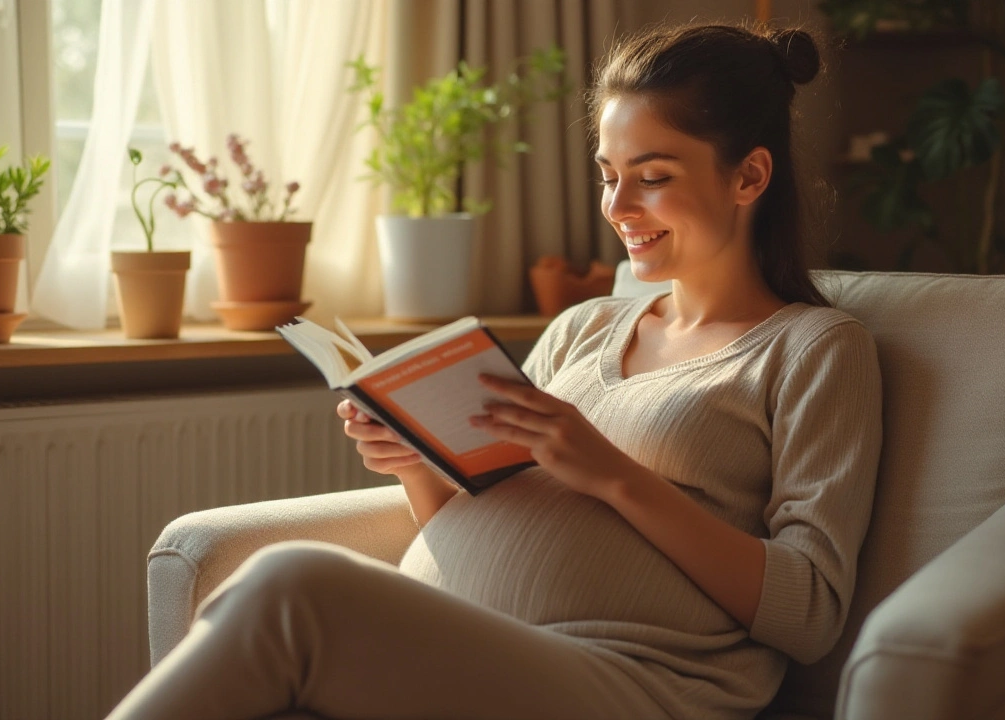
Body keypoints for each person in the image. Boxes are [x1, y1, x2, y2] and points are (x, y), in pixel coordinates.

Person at [107, 20, 882, 720]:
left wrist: (609, 472)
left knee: (287, 586)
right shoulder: (584, 329)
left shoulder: (813, 349)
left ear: (748, 177)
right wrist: (418, 466)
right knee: (261, 597)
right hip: (491, 652)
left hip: (639, 681)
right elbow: (481, 520)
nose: (618, 205)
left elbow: (809, 612)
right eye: (608, 173)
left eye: (653, 176)